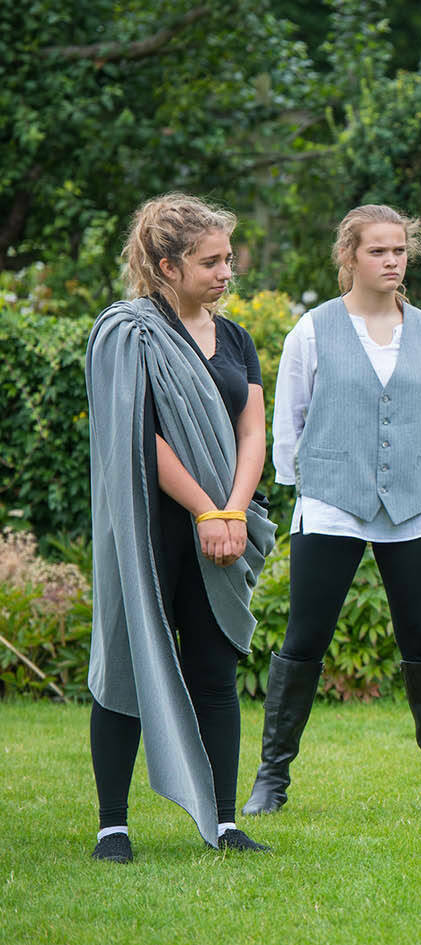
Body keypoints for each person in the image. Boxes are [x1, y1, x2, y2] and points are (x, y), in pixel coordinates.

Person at [241, 204, 421, 817]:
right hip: (332, 502)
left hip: (415, 507)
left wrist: (418, 475)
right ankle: (271, 779)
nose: (392, 261)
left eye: (399, 250)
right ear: (350, 257)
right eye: (378, 250)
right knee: (305, 639)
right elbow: (287, 422)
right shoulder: (312, 331)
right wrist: (308, 488)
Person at [85, 193, 277, 862]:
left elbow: (253, 429)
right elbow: (138, 435)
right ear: (166, 265)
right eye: (210, 261)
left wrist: (231, 510)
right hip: (146, 527)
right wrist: (204, 508)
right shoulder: (128, 332)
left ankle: (224, 821)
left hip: (221, 523)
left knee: (214, 670)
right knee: (126, 662)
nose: (226, 273)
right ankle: (114, 825)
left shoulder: (237, 339)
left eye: (227, 259)